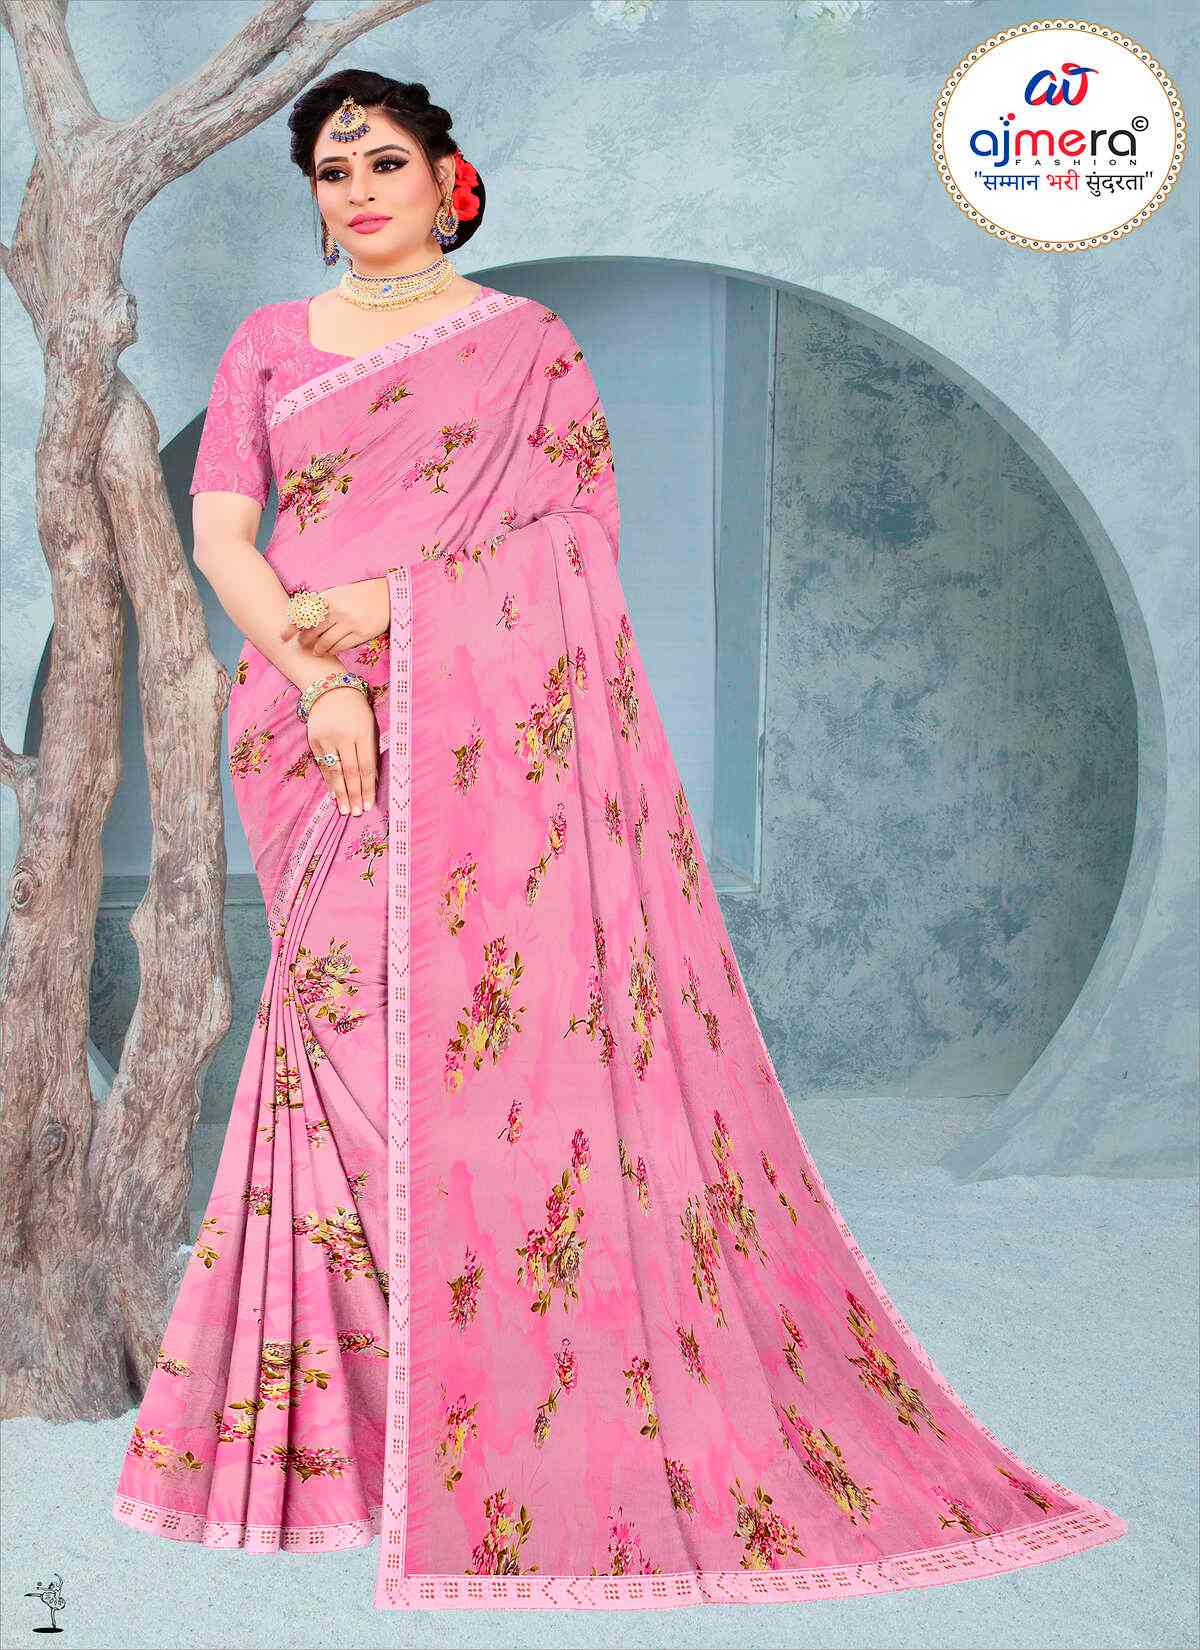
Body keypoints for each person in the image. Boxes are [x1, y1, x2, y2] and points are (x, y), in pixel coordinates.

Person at [112, 69, 1126, 1611]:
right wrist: (322, 678)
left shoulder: (525, 348)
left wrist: (394, 607)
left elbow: (573, 542)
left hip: (477, 715)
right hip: (311, 727)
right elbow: (221, 538)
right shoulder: (269, 345)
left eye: (384, 161)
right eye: (332, 170)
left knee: (497, 1061)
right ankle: (351, 1435)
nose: (358, 190)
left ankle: (497, 1399)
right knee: (341, 1046)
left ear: (449, 177)